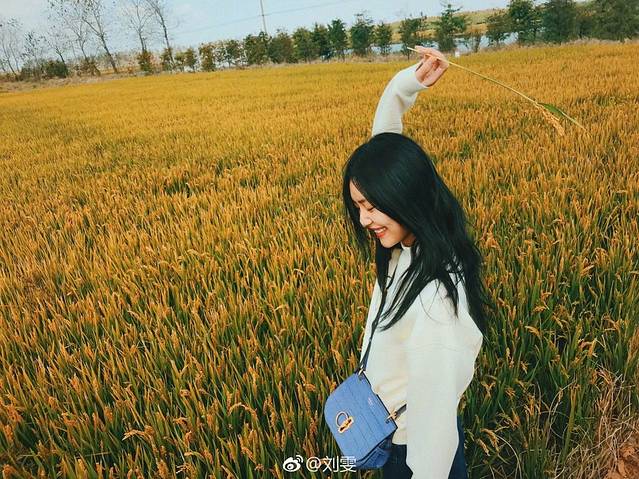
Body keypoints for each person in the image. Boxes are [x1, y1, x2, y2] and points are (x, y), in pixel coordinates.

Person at [340, 46, 494, 479]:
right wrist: (405, 86)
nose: (364, 220)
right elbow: (385, 147)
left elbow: (434, 421)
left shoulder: (435, 300)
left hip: (413, 455)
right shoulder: (408, 245)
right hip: (390, 432)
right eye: (359, 206)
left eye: (371, 206)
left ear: (403, 195)